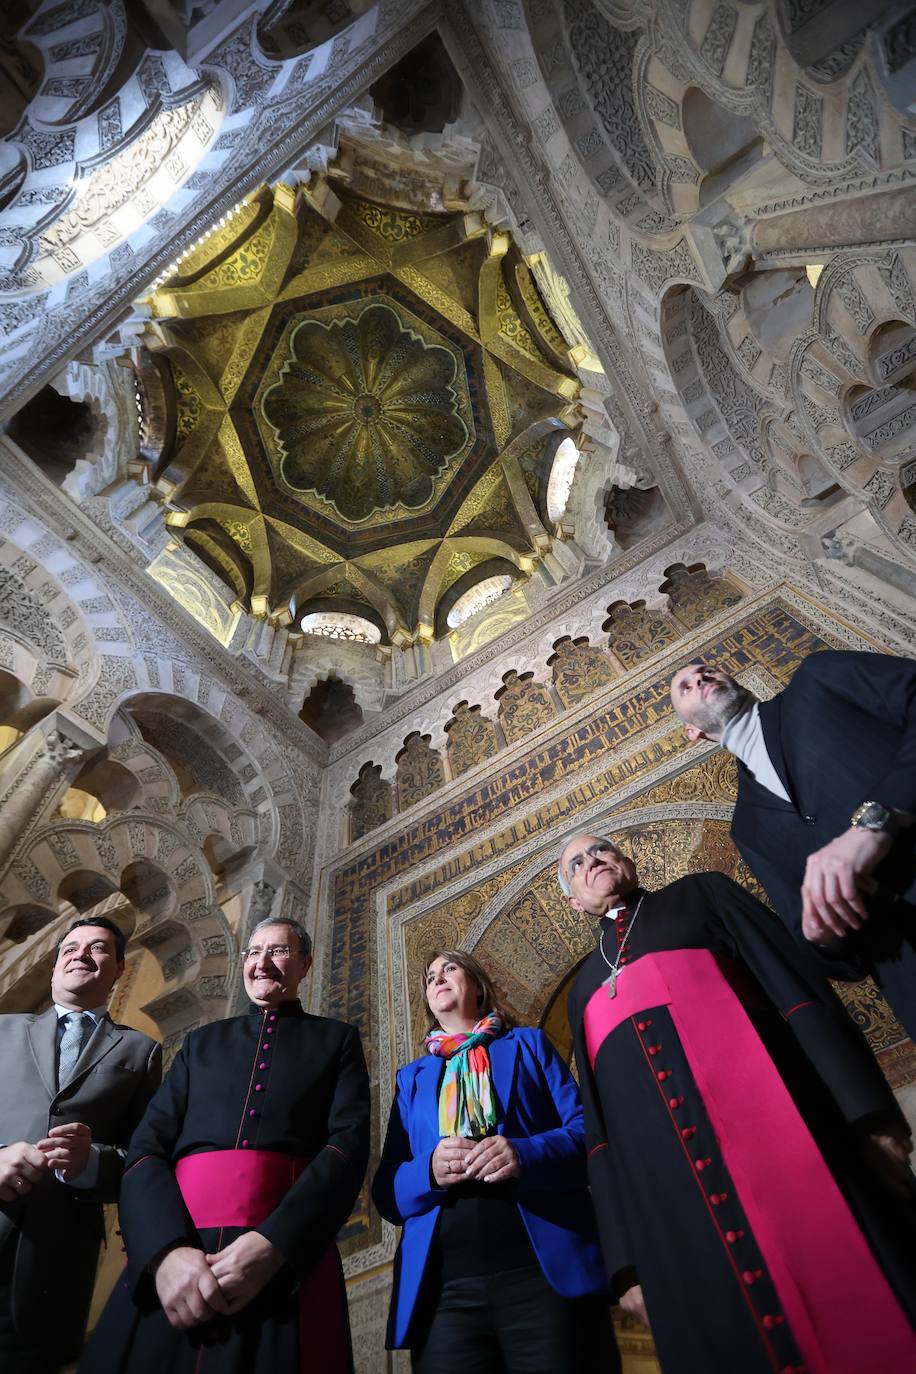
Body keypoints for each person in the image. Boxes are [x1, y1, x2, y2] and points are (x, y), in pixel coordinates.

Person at [559, 832, 916, 1374]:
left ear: (627, 860)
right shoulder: (582, 989)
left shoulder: (704, 895)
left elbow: (799, 995)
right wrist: (626, 1263)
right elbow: (600, 1134)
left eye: (602, 850)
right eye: (577, 864)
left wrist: (867, 1113)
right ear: (572, 901)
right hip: (678, 1214)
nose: (594, 862)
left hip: (794, 1145)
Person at [81, 916, 370, 1374]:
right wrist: (166, 1252)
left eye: (277, 951)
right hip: (179, 1253)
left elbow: (346, 1149)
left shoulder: (336, 1041)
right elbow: (146, 1150)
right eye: (253, 953)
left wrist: (275, 1243)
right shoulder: (200, 1044)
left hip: (279, 1260)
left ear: (305, 964)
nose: (262, 963)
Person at [372, 948, 618, 1374]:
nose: (438, 978)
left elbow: (587, 1134)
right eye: (430, 977)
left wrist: (523, 1152)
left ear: (478, 986)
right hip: (445, 1294)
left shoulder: (528, 1046)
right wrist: (428, 1171)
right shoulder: (411, 1080)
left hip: (543, 1278)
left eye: (450, 968)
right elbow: (388, 1192)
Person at [669, 653, 916, 1039]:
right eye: (686, 687)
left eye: (706, 671)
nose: (700, 679)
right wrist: (821, 933)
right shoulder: (747, 828)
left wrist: (877, 821)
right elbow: (832, 956)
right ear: (692, 732)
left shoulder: (817, 680)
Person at [0, 916, 161, 1374]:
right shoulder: (3, 1030)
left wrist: (89, 1162)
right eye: (70, 948)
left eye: (98, 948)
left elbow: (143, 1162)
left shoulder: (139, 1052)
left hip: (56, 1262)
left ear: (118, 970)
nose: (81, 954)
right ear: (54, 968)